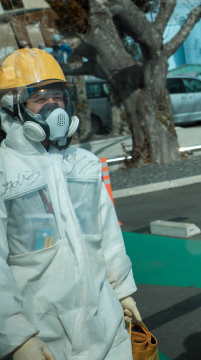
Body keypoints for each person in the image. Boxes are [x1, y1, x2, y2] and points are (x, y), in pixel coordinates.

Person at [0, 49, 141, 360]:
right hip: (45, 339)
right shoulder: (3, 170)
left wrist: (123, 290)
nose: (54, 108)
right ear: (12, 107)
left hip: (107, 328)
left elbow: (107, 236)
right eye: (40, 99)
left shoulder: (83, 164)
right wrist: (16, 337)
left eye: (59, 97)